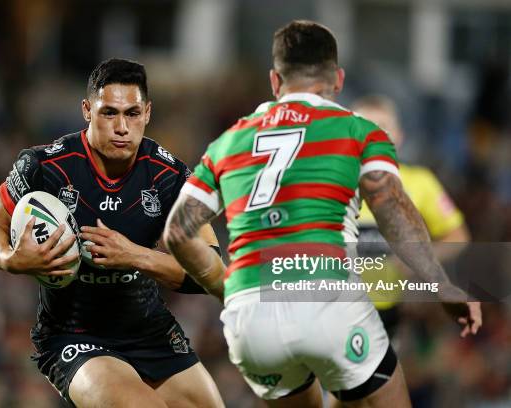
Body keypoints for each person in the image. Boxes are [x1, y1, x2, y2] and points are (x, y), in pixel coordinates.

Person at [163, 20, 481, 408]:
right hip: (328, 301)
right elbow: (392, 209)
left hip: (251, 318)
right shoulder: (357, 130)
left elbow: (177, 232)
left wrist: (226, 287)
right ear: (338, 81)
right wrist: (440, 284)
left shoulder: (229, 141)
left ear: (275, 81)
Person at [0, 58, 224, 408]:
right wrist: (11, 259)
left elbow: (210, 271)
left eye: (132, 113)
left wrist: (134, 255)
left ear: (148, 113)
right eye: (109, 113)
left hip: (149, 330)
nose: (122, 126)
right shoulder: (45, 166)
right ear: (87, 110)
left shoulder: (172, 177)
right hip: (73, 335)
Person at [352, 95, 471, 339]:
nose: (373, 135)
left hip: (385, 311)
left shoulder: (420, 182)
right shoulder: (332, 184)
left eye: (382, 127)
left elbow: (457, 235)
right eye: (364, 128)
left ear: (399, 136)